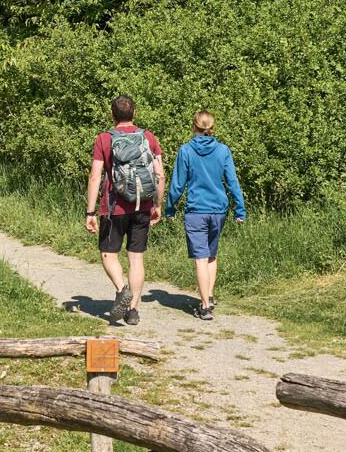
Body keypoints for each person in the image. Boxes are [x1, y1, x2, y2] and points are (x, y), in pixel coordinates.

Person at [84, 95, 164, 326]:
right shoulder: (148, 137)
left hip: (113, 207)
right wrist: (157, 204)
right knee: (136, 259)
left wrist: (90, 213)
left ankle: (121, 290)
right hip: (143, 205)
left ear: (112, 115)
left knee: (108, 253)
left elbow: (95, 176)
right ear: (134, 114)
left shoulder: (104, 139)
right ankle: (133, 311)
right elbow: (160, 174)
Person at [163, 110, 245, 321]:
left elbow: (178, 183)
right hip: (218, 210)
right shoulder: (222, 150)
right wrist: (240, 209)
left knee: (200, 258)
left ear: (194, 126)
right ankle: (207, 294)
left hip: (196, 210)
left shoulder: (186, 151)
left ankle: (206, 306)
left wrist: (169, 207)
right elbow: (232, 181)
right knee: (211, 255)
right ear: (212, 127)